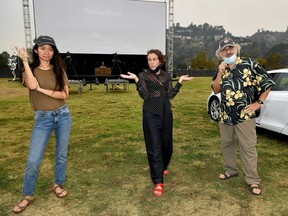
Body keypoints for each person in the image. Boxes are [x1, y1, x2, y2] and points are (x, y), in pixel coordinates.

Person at [120, 49, 193, 197]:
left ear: (160, 61)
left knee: (166, 144)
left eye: (154, 59)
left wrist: (179, 83)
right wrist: (136, 80)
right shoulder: (143, 75)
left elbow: (170, 95)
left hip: (166, 112)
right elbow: (145, 95)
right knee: (154, 145)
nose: (152, 62)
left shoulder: (166, 76)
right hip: (150, 113)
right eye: (149, 59)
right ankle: (158, 181)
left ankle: (163, 165)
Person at [13, 35, 72, 214]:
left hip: (63, 115)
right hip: (42, 118)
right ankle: (27, 194)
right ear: (36, 50)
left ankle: (58, 184)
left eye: (50, 49)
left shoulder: (59, 70)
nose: (47, 52)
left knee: (61, 155)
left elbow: (64, 95)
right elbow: (32, 85)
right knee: (33, 159)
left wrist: (41, 89)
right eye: (43, 48)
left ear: (54, 52)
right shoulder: (29, 69)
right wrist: (24, 60)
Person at [212, 37, 275, 195]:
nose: (228, 51)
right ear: (220, 53)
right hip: (225, 115)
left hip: (244, 115)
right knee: (227, 144)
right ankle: (230, 170)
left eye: (230, 48)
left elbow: (267, 82)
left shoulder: (250, 64)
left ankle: (253, 180)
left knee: (248, 147)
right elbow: (216, 89)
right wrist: (220, 73)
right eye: (224, 49)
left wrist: (258, 103)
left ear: (236, 48)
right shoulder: (221, 68)